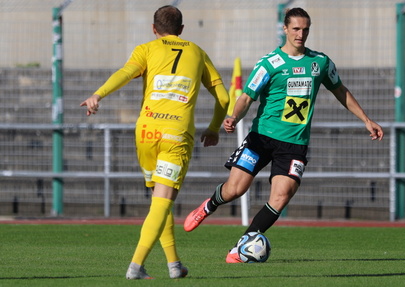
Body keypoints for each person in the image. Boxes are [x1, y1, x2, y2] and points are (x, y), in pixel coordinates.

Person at [183, 7, 384, 263]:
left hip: (294, 145)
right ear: (285, 29)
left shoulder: (320, 63)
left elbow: (340, 90)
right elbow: (246, 96)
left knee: (280, 198)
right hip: (262, 137)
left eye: (305, 29)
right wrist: (234, 117)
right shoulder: (269, 63)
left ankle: (240, 247)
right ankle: (208, 206)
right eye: (296, 29)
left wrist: (366, 120)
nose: (301, 34)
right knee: (235, 189)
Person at [80, 5, 229, 279]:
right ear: (182, 30)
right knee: (162, 202)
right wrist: (214, 128)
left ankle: (174, 265)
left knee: (158, 201)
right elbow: (224, 98)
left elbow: (125, 73)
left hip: (146, 132)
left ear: (153, 28)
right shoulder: (196, 52)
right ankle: (136, 266)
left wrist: (97, 95)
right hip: (176, 134)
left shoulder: (146, 49)